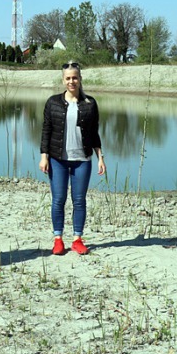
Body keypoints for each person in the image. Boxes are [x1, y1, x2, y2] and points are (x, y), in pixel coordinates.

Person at [39, 61, 106, 255]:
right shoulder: (53, 102)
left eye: (75, 77)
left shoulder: (90, 103)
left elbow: (94, 133)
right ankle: (58, 239)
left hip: (82, 159)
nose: (71, 81)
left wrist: (100, 157)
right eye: (68, 78)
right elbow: (46, 130)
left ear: (80, 79)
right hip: (57, 159)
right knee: (58, 199)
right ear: (63, 80)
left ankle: (77, 239)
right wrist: (44, 157)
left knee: (79, 200)